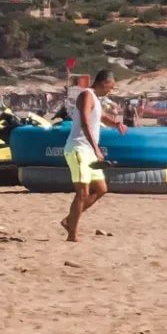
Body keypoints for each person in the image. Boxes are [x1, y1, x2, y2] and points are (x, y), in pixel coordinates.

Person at [62, 67, 111, 244]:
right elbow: (84, 122)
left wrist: (116, 123)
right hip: (78, 148)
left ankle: (69, 220)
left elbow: (101, 116)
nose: (110, 90)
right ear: (104, 82)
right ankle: (72, 234)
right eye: (110, 87)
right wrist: (96, 148)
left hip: (88, 150)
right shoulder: (86, 95)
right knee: (83, 192)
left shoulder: (96, 99)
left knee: (101, 189)